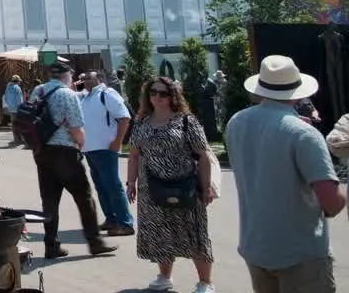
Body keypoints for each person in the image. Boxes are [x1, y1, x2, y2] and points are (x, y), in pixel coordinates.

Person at [230, 56, 344, 293]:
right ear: (298, 91)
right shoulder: (304, 134)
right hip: (299, 253)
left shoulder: (236, 122)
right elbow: (331, 203)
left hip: (256, 246)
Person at [127, 78, 215, 293]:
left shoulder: (186, 121)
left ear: (173, 96)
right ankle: (165, 277)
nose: (157, 97)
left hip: (184, 185)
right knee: (160, 232)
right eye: (153, 92)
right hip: (151, 188)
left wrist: (206, 186)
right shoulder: (142, 122)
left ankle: (205, 282)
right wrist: (131, 183)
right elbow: (134, 156)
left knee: (194, 232)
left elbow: (204, 156)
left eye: (163, 93)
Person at [31, 61, 115, 259]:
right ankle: (95, 243)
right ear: (66, 75)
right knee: (84, 198)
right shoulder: (67, 94)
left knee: (49, 201)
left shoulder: (38, 91)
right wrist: (81, 144)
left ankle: (51, 245)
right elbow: (76, 127)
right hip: (65, 152)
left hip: (42, 151)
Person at [79, 71, 134, 236]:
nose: (85, 80)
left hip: (105, 148)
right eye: (83, 78)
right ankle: (111, 219)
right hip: (90, 149)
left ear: (99, 79)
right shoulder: (85, 97)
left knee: (112, 185)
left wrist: (117, 141)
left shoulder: (107, 94)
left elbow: (124, 118)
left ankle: (125, 223)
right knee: (101, 186)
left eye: (89, 77)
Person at [2, 75, 26, 146]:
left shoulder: (8, 88)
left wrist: (10, 105)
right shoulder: (17, 88)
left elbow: (5, 98)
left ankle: (16, 139)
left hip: (11, 109)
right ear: (17, 81)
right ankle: (20, 139)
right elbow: (19, 100)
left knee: (14, 124)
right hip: (17, 109)